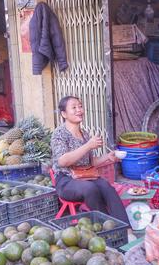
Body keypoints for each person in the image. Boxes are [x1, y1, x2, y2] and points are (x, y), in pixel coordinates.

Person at [51, 96, 129, 224]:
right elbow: (62, 161)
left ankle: (126, 228)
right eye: (74, 107)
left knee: (106, 186)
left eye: (80, 106)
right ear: (64, 114)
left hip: (85, 175)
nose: (79, 110)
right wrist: (88, 145)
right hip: (66, 180)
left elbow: (90, 162)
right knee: (90, 188)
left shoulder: (85, 134)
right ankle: (106, 226)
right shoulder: (59, 134)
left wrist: (107, 157)